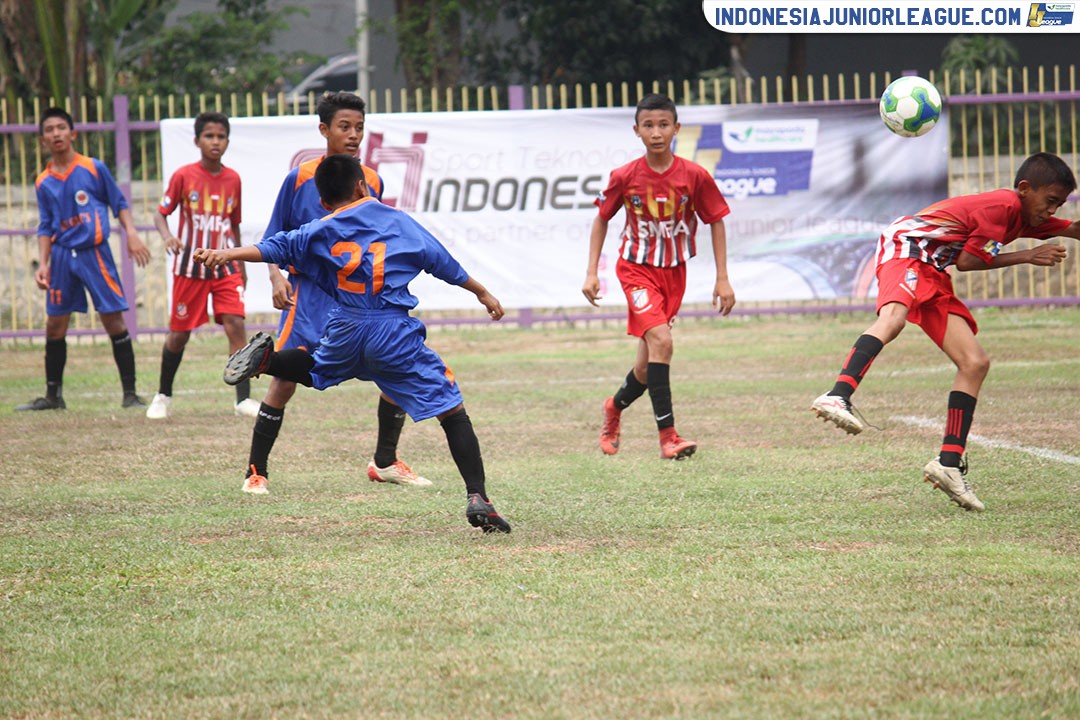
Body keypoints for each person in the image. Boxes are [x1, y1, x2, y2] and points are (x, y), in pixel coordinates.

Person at [193, 154, 512, 533]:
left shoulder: (322, 226)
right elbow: (441, 262)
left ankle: (270, 363)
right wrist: (482, 293)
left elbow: (276, 247)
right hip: (391, 331)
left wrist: (226, 253)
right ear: (362, 186)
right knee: (451, 409)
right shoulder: (396, 220)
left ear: (325, 201)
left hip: (345, 326)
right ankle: (478, 496)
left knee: (316, 368)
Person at [811, 152, 1080, 512]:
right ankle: (837, 394)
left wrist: (1059, 227)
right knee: (893, 319)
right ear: (1024, 188)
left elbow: (1071, 228)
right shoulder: (1002, 207)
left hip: (933, 269)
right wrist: (1028, 255)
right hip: (907, 249)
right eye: (1050, 201)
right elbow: (968, 262)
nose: (1052, 211)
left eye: (1059, 203)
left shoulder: (1025, 215)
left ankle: (948, 464)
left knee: (975, 362)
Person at [243, 91, 429, 494]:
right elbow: (274, 237)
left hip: (357, 301)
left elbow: (381, 237)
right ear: (324, 129)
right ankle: (256, 471)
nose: (353, 135)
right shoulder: (300, 178)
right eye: (344, 127)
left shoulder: (372, 181)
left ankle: (385, 461)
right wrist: (276, 278)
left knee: (394, 369)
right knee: (285, 379)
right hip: (309, 296)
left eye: (359, 127)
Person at [582, 93, 736, 460]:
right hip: (635, 269)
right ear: (636, 130)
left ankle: (614, 407)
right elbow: (602, 218)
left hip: (674, 275)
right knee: (663, 342)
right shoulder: (625, 176)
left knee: (646, 365)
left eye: (663, 125)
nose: (656, 132)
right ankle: (669, 437)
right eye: (648, 125)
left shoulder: (694, 175)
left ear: (676, 129)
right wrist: (591, 271)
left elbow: (716, 221)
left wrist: (723, 278)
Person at [17, 107, 151, 411]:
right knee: (55, 324)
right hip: (63, 257)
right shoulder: (43, 182)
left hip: (95, 253)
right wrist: (44, 263)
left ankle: (130, 394)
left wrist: (130, 232)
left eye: (61, 127)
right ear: (42, 140)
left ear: (73, 133)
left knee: (112, 320)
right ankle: (54, 396)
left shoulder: (93, 168)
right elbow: (46, 226)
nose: (55, 134)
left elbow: (118, 203)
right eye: (49, 129)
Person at [146, 111, 260, 420]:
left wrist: (241, 263)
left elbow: (233, 225)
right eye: (209, 136)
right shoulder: (184, 175)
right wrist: (168, 236)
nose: (215, 142)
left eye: (221, 136)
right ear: (197, 141)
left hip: (225, 267)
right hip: (190, 267)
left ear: (227, 141)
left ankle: (242, 399)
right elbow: (160, 213)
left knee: (236, 324)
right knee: (179, 334)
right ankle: (163, 395)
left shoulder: (233, 179)